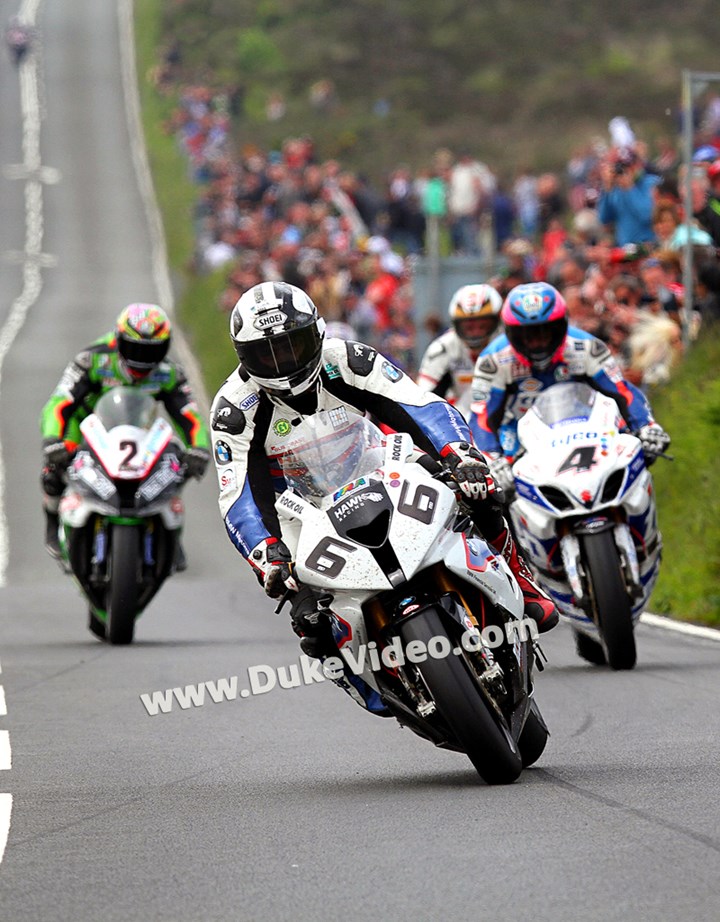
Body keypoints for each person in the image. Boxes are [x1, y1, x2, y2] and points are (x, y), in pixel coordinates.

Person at [210, 282, 558, 696]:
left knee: (480, 489)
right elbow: (238, 498)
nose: (281, 362)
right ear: (242, 357)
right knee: (306, 613)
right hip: (297, 507)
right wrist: (265, 554)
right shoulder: (234, 409)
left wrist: (459, 454)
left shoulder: (347, 358)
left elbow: (417, 404)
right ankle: (361, 680)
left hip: (377, 462)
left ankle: (520, 581)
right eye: (264, 354)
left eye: (291, 346)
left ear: (317, 334)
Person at [40, 304, 210, 566]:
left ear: (165, 348)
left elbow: (190, 416)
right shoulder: (93, 359)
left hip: (139, 431)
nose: (142, 359)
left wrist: (198, 447)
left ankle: (170, 535)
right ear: (119, 340)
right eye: (135, 348)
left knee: (175, 464)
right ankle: (52, 523)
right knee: (54, 469)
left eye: (152, 350)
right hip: (87, 427)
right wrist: (53, 439)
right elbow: (59, 403)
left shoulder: (169, 373)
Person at [468, 282, 671, 493]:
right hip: (519, 437)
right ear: (510, 334)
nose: (538, 343)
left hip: (584, 429)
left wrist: (647, 426)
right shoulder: (492, 360)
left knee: (631, 462)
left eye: (546, 332)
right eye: (528, 336)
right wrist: (490, 457)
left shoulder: (587, 347)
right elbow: (482, 415)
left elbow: (622, 391)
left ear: (562, 325)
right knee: (498, 489)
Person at [416, 283, 503, 418]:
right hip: (461, 419)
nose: (476, 333)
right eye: (469, 327)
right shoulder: (442, 348)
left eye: (482, 326)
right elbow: (421, 399)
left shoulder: (508, 345)